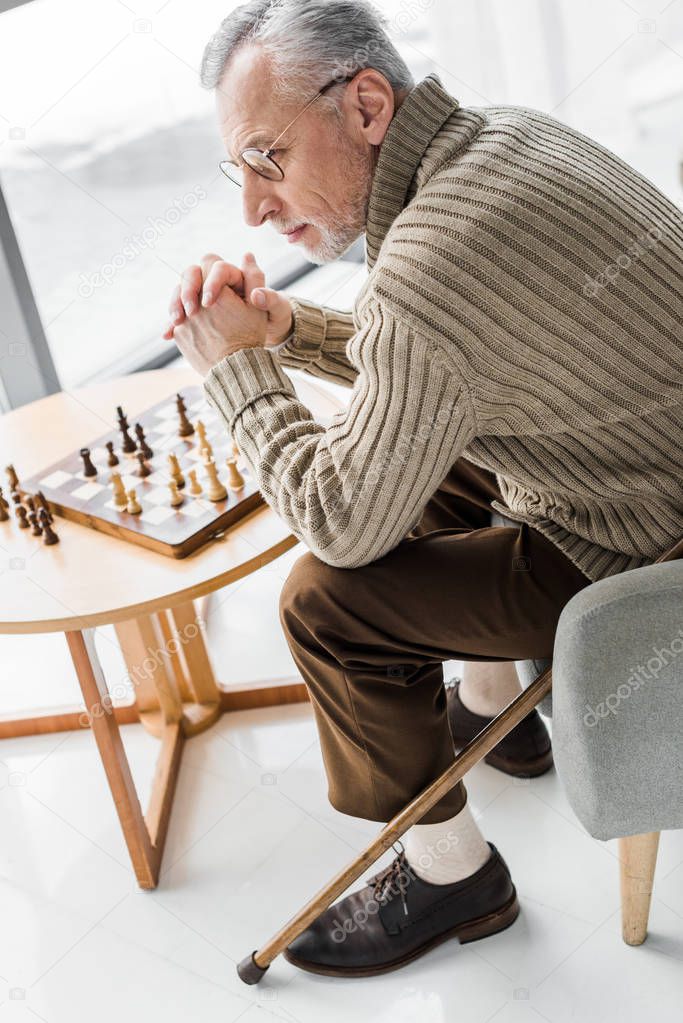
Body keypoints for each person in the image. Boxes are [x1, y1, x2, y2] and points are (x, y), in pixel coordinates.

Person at [165, 0, 683, 978]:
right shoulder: (506, 136)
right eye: (241, 173)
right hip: (643, 463)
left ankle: (450, 874)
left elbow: (337, 522)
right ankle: (501, 717)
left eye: (267, 159)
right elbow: (444, 363)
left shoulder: (427, 269)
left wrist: (235, 372)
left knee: (325, 603)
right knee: (420, 455)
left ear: (365, 105)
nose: (255, 208)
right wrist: (284, 334)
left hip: (646, 551)